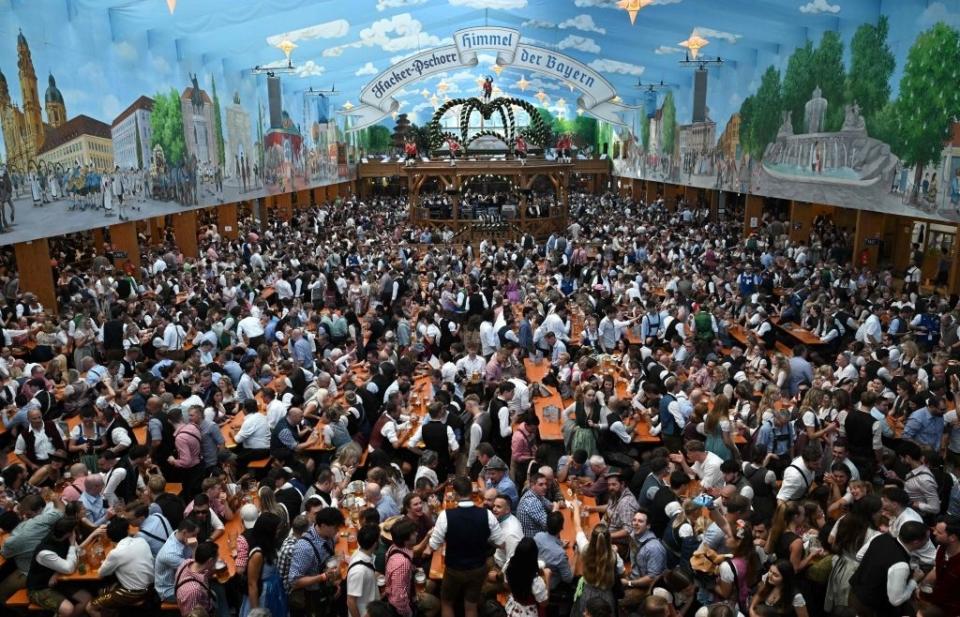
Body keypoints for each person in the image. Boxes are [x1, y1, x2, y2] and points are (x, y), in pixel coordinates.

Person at [426, 476, 505, 617]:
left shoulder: (445, 516)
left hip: (454, 569)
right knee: (470, 605)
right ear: (471, 492)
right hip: (478, 568)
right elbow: (501, 543)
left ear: (455, 494)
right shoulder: (487, 515)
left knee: (447, 602)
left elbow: (433, 545)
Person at [26, 517, 105, 617]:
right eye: (74, 531)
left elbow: (77, 553)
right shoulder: (45, 552)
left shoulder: (63, 537)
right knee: (68, 609)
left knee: (86, 598)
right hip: (39, 588)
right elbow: (69, 568)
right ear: (69, 532)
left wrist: (57, 572)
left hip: (59, 581)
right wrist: (72, 545)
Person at [850, 520, 930, 617]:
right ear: (916, 542)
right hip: (871, 608)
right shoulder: (900, 565)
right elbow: (896, 600)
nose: (928, 542)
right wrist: (914, 580)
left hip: (854, 594)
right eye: (927, 539)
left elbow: (859, 556)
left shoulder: (881, 537)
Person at [87, 517, 155, 617]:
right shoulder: (141, 540)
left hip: (134, 592)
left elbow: (101, 573)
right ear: (127, 530)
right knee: (104, 591)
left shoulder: (116, 554)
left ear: (109, 538)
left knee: (89, 607)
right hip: (150, 586)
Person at [288, 506, 344, 617]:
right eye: (336, 527)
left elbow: (328, 560)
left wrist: (334, 582)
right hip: (314, 597)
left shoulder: (328, 535)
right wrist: (323, 577)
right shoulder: (304, 547)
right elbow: (294, 581)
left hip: (328, 589)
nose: (338, 531)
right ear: (323, 525)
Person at [240, 512, 287, 617]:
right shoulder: (257, 554)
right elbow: (252, 584)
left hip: (272, 589)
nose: (279, 531)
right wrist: (256, 612)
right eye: (277, 529)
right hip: (263, 595)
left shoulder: (268, 544)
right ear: (268, 531)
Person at [503, 537, 549, 616]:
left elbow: (506, 585)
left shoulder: (508, 565)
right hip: (529, 612)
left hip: (513, 606)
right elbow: (544, 603)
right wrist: (548, 577)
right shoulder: (536, 581)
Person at [175, 541, 220, 617]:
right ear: (210, 561)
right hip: (206, 612)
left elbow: (203, 574)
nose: (218, 559)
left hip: (204, 596)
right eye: (217, 558)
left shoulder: (187, 562)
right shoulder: (194, 590)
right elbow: (191, 614)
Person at [347, 524, 382, 617]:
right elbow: (350, 601)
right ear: (375, 543)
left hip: (372, 608)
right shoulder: (359, 571)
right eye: (379, 539)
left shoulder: (361, 552)